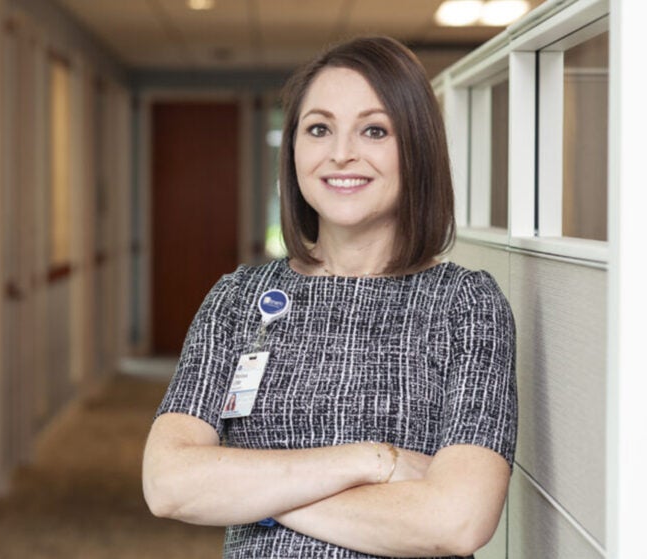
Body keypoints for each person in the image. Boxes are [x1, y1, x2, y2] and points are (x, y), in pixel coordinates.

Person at [142, 36, 517, 559]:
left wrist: (251, 494)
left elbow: (455, 521)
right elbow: (167, 483)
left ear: (416, 148)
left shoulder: (465, 306)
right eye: (319, 128)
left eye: (374, 130)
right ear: (293, 148)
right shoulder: (237, 298)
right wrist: (371, 462)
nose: (342, 153)